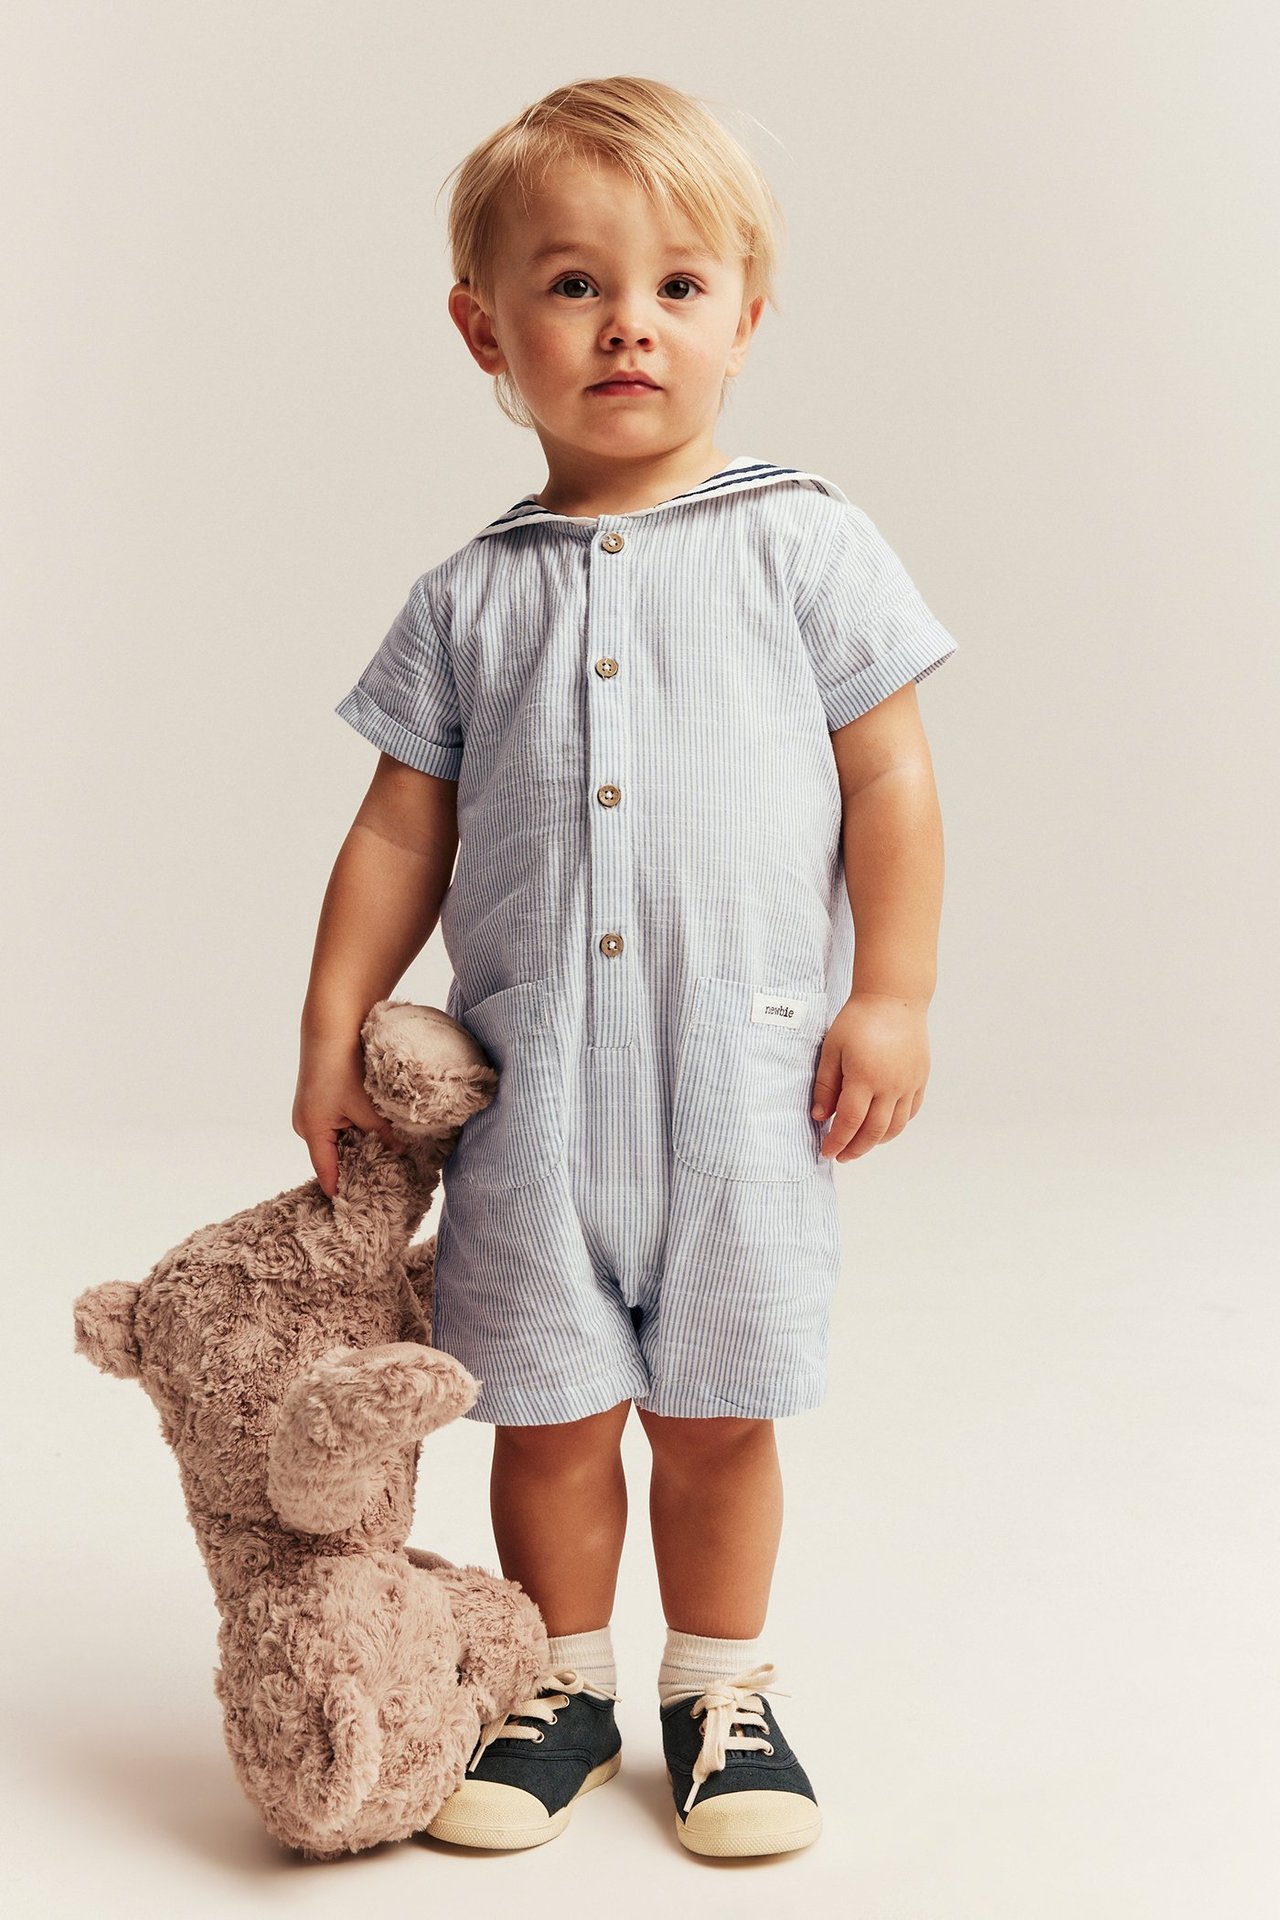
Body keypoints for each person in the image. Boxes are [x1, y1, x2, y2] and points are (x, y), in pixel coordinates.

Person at [294, 74, 959, 1860]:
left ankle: (719, 1690)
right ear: (484, 329)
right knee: (553, 1416)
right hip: (534, 1102)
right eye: (574, 284)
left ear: (747, 312)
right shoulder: (468, 596)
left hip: (745, 1091)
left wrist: (886, 993)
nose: (627, 326)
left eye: (677, 284)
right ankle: (562, 1676)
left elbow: (890, 781)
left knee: (721, 1417)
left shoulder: (805, 542)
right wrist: (330, 1028)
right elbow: (395, 835)